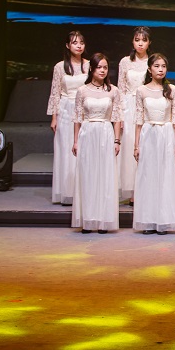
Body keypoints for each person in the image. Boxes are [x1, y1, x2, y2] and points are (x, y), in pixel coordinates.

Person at [132, 53, 175, 235]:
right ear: (149, 69)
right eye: (156, 66)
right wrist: (136, 145)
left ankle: (164, 220)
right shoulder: (141, 91)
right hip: (148, 134)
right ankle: (148, 220)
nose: (160, 69)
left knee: (165, 176)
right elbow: (138, 120)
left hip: (166, 134)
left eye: (163, 66)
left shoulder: (172, 90)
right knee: (148, 176)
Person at [71, 53, 122, 233]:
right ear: (91, 68)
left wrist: (117, 141)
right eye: (99, 67)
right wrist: (75, 141)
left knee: (104, 175)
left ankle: (103, 220)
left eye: (105, 67)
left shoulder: (113, 91)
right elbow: (77, 118)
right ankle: (88, 219)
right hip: (87, 133)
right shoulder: (82, 91)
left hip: (105, 133)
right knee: (88, 174)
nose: (102, 70)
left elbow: (117, 118)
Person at [47, 30, 87, 205]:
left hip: (84, 110)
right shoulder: (60, 66)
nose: (79, 46)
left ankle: (82, 191)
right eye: (75, 43)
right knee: (65, 148)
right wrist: (54, 117)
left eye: (81, 43)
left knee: (83, 147)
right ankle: (66, 191)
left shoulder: (89, 65)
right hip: (65, 109)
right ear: (67, 45)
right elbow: (55, 92)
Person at [117, 26, 151, 203]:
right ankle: (132, 191)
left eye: (144, 40)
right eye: (137, 40)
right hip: (129, 107)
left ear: (149, 42)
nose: (140, 44)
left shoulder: (152, 61)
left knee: (146, 145)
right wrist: (120, 115)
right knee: (131, 146)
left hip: (148, 107)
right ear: (132, 41)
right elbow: (121, 90)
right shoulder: (125, 62)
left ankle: (146, 188)